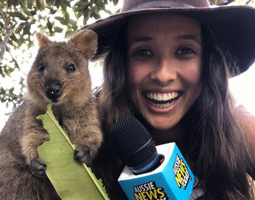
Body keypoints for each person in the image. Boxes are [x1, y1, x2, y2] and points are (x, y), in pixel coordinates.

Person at [83, 0, 255, 199]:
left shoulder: (239, 128)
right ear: (122, 65)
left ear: (207, 61)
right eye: (144, 52)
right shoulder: (87, 136)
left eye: (185, 50)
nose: (164, 75)